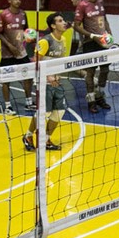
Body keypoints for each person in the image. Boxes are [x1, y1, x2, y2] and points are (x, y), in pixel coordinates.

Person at [24, 12, 69, 152]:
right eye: (60, 21)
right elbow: (35, 62)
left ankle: (45, 139)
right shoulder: (45, 41)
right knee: (43, 113)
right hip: (44, 82)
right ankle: (28, 136)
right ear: (53, 25)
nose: (64, 23)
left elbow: (60, 62)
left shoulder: (63, 40)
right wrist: (47, 76)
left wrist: (57, 76)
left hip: (57, 82)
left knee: (60, 112)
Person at [73, 0, 112, 113]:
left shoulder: (100, 2)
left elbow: (104, 19)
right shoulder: (82, 5)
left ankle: (100, 95)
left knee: (105, 70)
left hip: (103, 42)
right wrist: (91, 36)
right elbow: (76, 26)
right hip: (90, 43)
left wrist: (109, 33)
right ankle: (91, 101)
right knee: (90, 72)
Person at [0, 0, 34, 116]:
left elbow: (26, 31)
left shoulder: (23, 14)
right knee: (6, 80)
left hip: (21, 52)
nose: (18, 1)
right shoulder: (3, 14)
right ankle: (8, 106)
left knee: (28, 76)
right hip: (7, 53)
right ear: (9, 0)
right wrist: (9, 46)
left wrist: (29, 37)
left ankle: (29, 102)